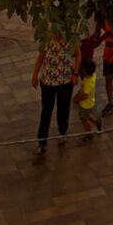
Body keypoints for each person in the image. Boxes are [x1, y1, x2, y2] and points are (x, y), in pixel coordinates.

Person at [32, 29, 79, 160]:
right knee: (46, 111)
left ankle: (62, 131)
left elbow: (78, 55)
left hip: (65, 82)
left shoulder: (70, 39)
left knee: (63, 109)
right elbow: (41, 57)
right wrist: (35, 75)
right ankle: (42, 142)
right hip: (48, 82)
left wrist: (75, 74)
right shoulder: (46, 38)